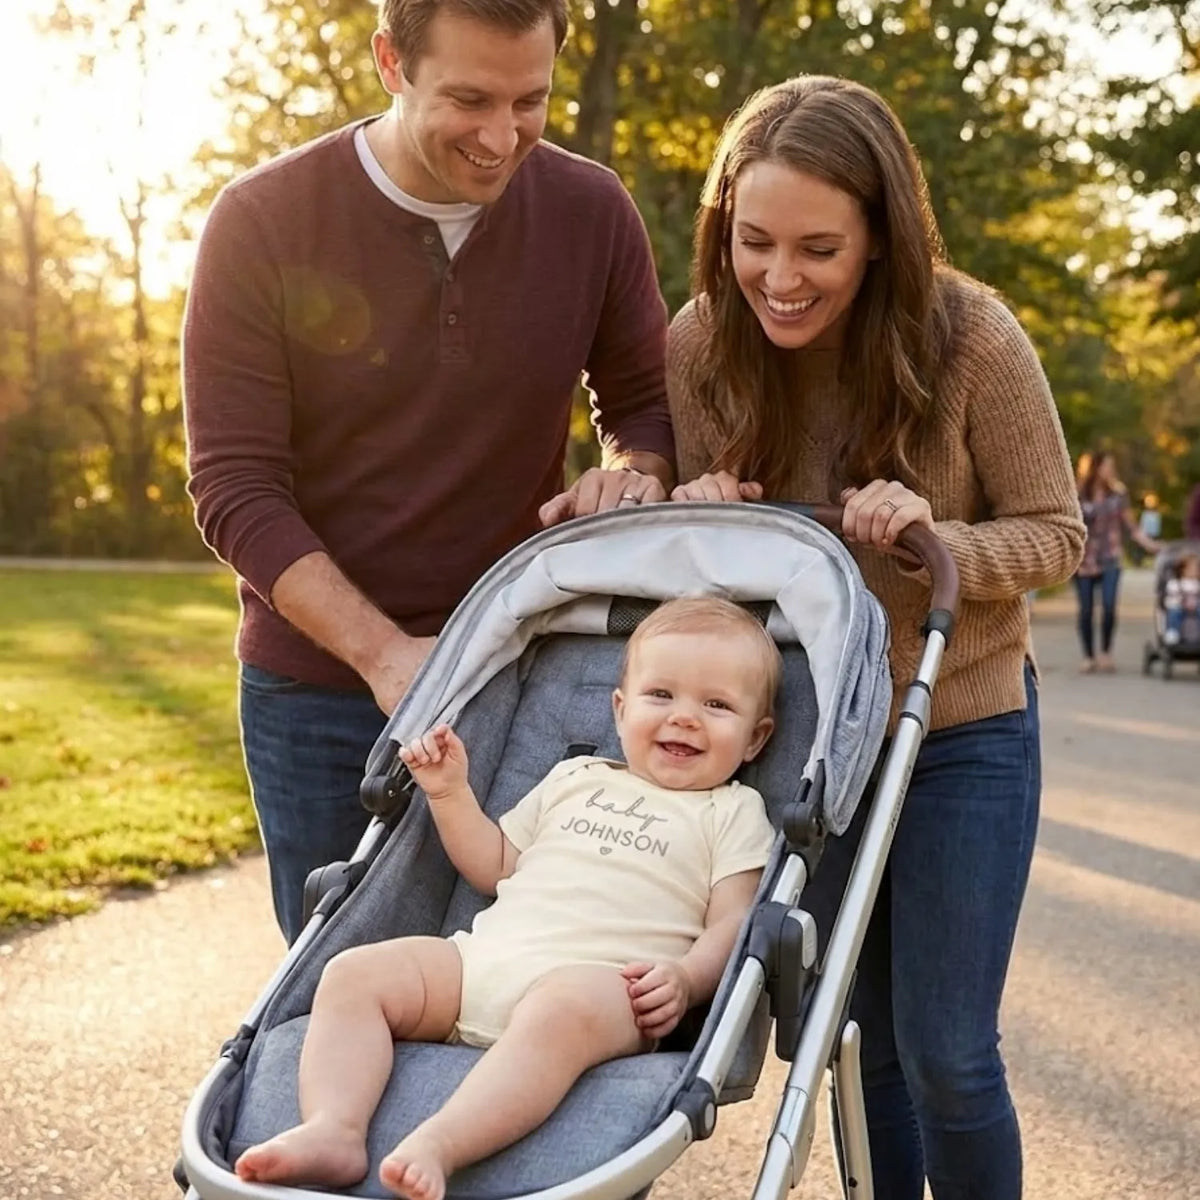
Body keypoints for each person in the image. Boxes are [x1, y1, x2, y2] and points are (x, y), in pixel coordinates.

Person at [665, 76, 1085, 1200]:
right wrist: (706, 510)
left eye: (819, 249)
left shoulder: (972, 340)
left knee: (947, 1052)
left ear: (882, 244)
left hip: (960, 728)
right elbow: (709, 585)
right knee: (850, 1046)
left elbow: (1057, 536)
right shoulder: (704, 343)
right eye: (754, 243)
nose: (781, 279)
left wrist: (934, 538)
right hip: (814, 743)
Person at [182, 0, 676, 944]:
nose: (502, 138)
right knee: (331, 998)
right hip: (318, 691)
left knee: (520, 973)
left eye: (531, 100)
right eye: (470, 99)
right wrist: (385, 657)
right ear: (390, 63)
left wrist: (633, 470)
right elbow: (235, 488)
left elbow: (644, 406)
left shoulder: (590, 209)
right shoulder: (262, 220)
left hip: (527, 670)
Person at [230, 597, 779, 1199]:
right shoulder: (576, 778)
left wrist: (686, 979)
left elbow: (733, 922)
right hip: (482, 963)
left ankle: (440, 1143)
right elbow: (495, 866)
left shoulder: (733, 812)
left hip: (603, 989)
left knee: (560, 1008)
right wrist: (449, 795)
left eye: (717, 705)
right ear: (619, 711)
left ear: (755, 739)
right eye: (661, 696)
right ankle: (333, 1127)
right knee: (354, 973)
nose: (685, 718)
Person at [1073, 450, 1161, 672]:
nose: (1111, 471)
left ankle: (1106, 653)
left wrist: (1150, 544)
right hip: (1083, 561)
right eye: (1107, 466)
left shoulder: (1118, 494)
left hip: (1111, 557)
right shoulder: (1077, 494)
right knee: (1086, 610)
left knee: (1110, 607)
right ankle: (1088, 656)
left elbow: (1130, 524)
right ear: (1094, 468)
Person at [1163, 552, 1200, 645]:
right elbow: (1171, 593)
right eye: (1194, 569)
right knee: (1174, 612)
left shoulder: (1197, 583)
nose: (1196, 572)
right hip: (1179, 606)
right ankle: (1173, 632)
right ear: (1183, 570)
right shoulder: (1175, 583)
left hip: (1195, 607)